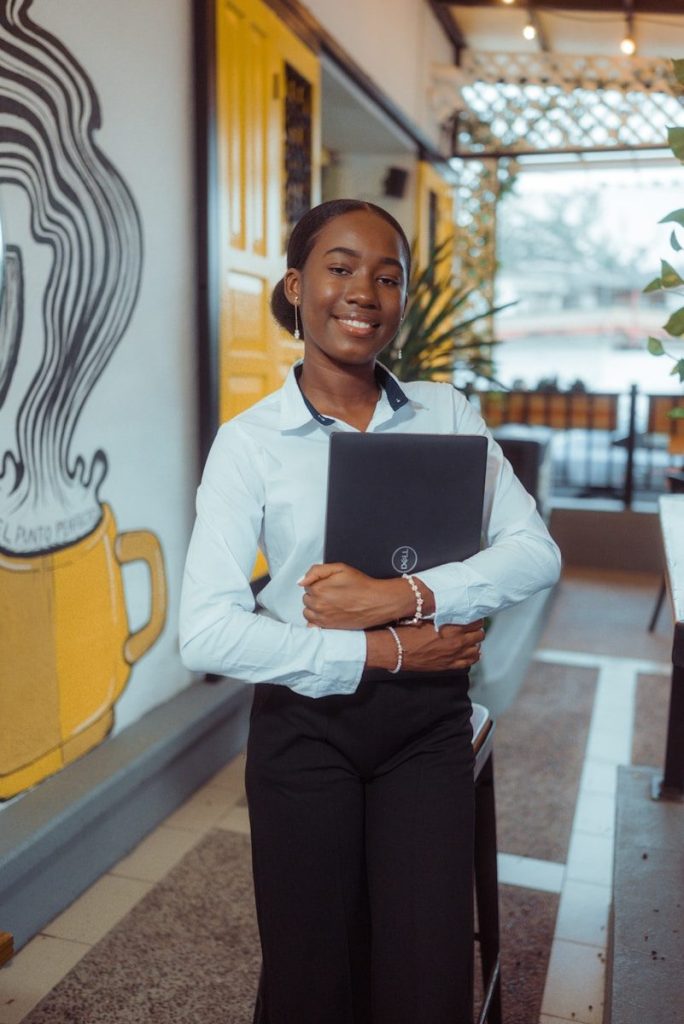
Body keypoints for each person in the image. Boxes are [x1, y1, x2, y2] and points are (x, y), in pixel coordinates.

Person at [179, 198, 561, 1024]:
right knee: (311, 976)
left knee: (424, 979)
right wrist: (387, 651)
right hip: (304, 725)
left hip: (426, 731)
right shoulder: (251, 443)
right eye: (340, 268)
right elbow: (204, 630)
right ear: (295, 285)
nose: (365, 291)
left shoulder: (447, 414)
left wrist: (405, 598)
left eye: (388, 277)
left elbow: (535, 552)